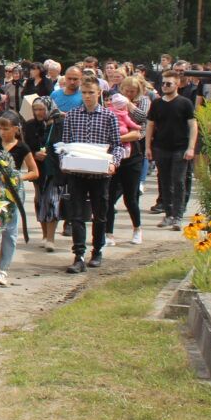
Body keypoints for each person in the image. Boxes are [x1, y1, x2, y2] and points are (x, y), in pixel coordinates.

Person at [60, 76, 124, 274]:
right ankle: (78, 255)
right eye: (84, 93)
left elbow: (117, 146)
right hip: (77, 172)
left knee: (100, 214)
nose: (87, 96)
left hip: (99, 174)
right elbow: (65, 144)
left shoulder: (108, 116)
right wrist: (64, 160)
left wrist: (113, 162)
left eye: (91, 93)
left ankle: (97, 251)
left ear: (99, 93)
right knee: (77, 214)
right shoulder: (72, 116)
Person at [145, 71, 197, 231]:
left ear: (177, 84)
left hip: (180, 148)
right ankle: (168, 214)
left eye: (169, 83)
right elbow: (150, 125)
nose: (165, 86)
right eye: (163, 83)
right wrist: (148, 147)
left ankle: (178, 216)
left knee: (179, 181)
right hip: (161, 147)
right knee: (164, 181)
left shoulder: (185, 103)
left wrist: (191, 147)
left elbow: (193, 125)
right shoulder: (157, 103)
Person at [0, 114, 37, 286]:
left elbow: (34, 172)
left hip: (13, 188)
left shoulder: (22, 147)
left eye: (6, 129)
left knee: (9, 230)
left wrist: (18, 177)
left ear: (16, 129)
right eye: (0, 128)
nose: (2, 132)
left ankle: (2, 269)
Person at [104, 85, 146, 245]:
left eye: (111, 99)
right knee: (109, 197)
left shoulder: (127, 114)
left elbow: (136, 134)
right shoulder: (105, 116)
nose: (110, 102)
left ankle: (137, 228)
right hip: (112, 159)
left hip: (132, 159)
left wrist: (116, 139)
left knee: (131, 197)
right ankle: (109, 233)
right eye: (107, 100)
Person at [24, 97, 64, 251]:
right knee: (40, 200)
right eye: (35, 109)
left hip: (54, 167)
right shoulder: (30, 125)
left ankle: (51, 238)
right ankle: (44, 234)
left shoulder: (59, 124)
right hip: (38, 168)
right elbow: (27, 146)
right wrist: (35, 154)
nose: (38, 112)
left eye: (41, 109)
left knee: (52, 200)